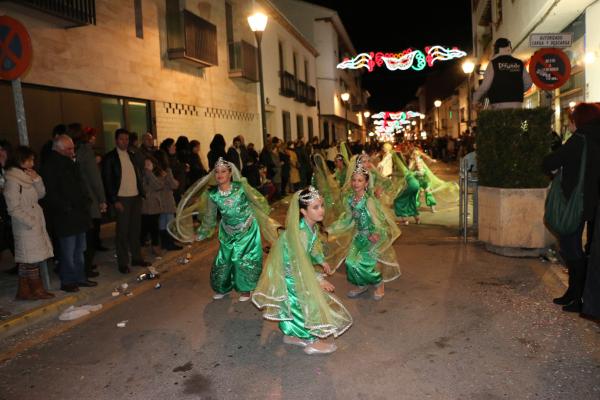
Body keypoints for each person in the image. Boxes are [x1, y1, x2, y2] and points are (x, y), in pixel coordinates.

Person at [252, 187, 352, 355]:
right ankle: (311, 341)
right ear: (303, 211)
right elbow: (299, 263)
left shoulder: (310, 227)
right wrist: (319, 279)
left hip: (295, 270)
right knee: (307, 304)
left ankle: (292, 336)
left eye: (321, 205)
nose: (321, 210)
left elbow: (312, 248)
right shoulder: (301, 233)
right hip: (291, 273)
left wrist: (321, 261)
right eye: (315, 207)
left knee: (297, 304)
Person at [168, 157, 280, 301]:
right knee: (224, 260)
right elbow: (209, 217)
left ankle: (246, 289)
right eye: (217, 172)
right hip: (227, 231)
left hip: (247, 229)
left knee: (242, 259)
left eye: (223, 171)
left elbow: (256, 200)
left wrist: (262, 213)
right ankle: (223, 288)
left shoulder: (241, 188)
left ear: (230, 173)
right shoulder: (212, 194)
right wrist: (201, 234)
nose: (220, 174)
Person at [543, 103, 600, 313]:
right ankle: (578, 294)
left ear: (579, 121)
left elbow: (550, 162)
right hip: (592, 202)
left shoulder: (579, 140)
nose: (569, 123)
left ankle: (577, 296)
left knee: (571, 248)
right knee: (587, 249)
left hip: (574, 203)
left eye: (571, 120)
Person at [328, 157, 401, 301]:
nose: (356, 183)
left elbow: (379, 221)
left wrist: (375, 233)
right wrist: (329, 230)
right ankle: (362, 285)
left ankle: (379, 284)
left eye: (360, 180)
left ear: (366, 183)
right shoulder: (349, 200)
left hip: (373, 236)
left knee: (364, 263)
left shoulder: (369, 201)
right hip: (359, 236)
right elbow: (347, 220)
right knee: (350, 262)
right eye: (354, 180)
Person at [42, 135, 96, 292]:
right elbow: (51, 192)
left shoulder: (70, 163)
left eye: (73, 148)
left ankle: (80, 277)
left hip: (79, 214)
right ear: (59, 149)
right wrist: (66, 207)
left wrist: (86, 201)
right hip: (66, 216)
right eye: (69, 149)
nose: (73, 151)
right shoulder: (51, 165)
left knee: (80, 250)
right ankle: (68, 280)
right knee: (68, 251)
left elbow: (80, 184)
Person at [5, 146, 55, 300]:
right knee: (31, 259)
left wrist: (36, 179)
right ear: (21, 160)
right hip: (25, 225)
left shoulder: (26, 176)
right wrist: (31, 222)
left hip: (33, 222)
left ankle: (23, 291)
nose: (33, 162)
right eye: (30, 159)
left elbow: (40, 195)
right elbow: (13, 208)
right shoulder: (13, 181)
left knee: (27, 260)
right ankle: (37, 289)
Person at [102, 128, 150, 274]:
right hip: (122, 198)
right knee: (122, 232)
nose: (125, 142)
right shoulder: (110, 157)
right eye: (122, 139)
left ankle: (136, 258)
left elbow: (139, 172)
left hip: (135, 197)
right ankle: (123, 262)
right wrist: (114, 200)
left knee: (135, 230)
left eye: (127, 139)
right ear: (116, 140)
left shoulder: (132, 154)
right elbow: (107, 180)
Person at [74, 128, 107, 278]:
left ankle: (83, 266)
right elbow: (95, 179)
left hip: (79, 200)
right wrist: (102, 199)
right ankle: (86, 269)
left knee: (81, 238)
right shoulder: (87, 153)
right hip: (90, 199)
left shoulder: (76, 153)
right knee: (89, 237)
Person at [472, 37, 533, 110]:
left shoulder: (493, 63)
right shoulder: (519, 63)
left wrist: (475, 100)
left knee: (500, 121)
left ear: (496, 49)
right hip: (517, 103)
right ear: (509, 48)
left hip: (498, 103)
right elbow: (529, 82)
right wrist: (516, 90)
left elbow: (485, 86)